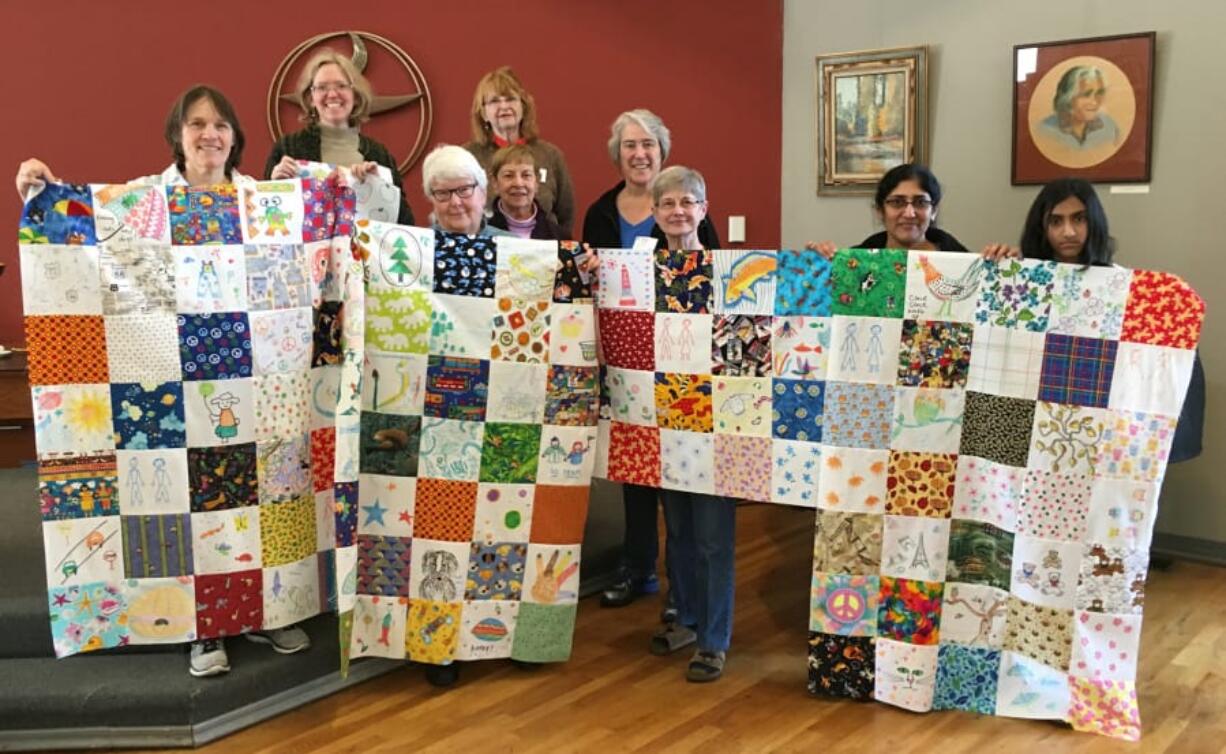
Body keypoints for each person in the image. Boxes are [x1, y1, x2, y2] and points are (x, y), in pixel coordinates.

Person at [15, 86, 312, 679]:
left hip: (252, 377)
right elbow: (92, 221)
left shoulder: (261, 202)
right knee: (184, 498)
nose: (210, 135)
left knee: (258, 492)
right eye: (197, 124)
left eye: (221, 124)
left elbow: (328, 232)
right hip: (168, 377)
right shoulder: (150, 199)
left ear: (236, 136)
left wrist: (314, 190)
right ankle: (201, 625)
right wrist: (40, 191)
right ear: (177, 134)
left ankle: (265, 606)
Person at [581, 109, 721, 614]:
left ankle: (679, 586)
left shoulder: (684, 205)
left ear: (662, 151)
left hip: (680, 353)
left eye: (648, 145)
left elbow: (714, 278)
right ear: (618, 155)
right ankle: (637, 566)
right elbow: (588, 278)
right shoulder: (601, 211)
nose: (639, 154)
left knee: (680, 479)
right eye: (629, 146)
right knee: (634, 470)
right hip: (626, 354)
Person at [1015, 177, 1203, 463]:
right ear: (1041, 228)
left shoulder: (1121, 287)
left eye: (1079, 219)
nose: (1069, 231)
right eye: (1056, 221)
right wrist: (1003, 267)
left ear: (1095, 223)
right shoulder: (1025, 286)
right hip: (1039, 423)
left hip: (1101, 426)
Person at [644, 165, 737, 682]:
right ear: (655, 214)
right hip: (663, 420)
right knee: (677, 530)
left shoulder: (728, 268)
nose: (678, 211)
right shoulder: (641, 271)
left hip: (719, 421)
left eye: (688, 202)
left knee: (712, 536)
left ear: (704, 208)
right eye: (667, 204)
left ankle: (714, 638)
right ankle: (688, 616)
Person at [264, 48, 415, 226]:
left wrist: (380, 184)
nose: (333, 94)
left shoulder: (379, 155)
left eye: (341, 86)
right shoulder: (288, 148)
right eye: (322, 87)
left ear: (355, 95)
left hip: (363, 253)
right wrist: (272, 186)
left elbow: (405, 224)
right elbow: (265, 221)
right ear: (311, 97)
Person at [807, 163, 1016, 259]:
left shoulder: (962, 263)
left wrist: (1009, 270)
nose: (909, 213)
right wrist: (815, 269)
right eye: (897, 202)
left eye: (920, 202)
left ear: (934, 210)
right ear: (880, 211)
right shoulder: (855, 262)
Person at [463, 66, 575, 237]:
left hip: (544, 250)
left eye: (510, 99)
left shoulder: (550, 155)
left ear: (523, 106)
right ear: (483, 113)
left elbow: (565, 216)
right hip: (487, 252)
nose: (504, 106)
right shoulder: (468, 157)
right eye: (494, 101)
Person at [1035, 66, 1121, 152]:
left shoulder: (1110, 126)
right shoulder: (1044, 131)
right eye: (1086, 94)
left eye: (1099, 93)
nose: (1095, 102)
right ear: (1066, 98)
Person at [487, 144, 562, 240]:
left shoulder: (558, 236)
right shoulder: (480, 234)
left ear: (537, 182)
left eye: (526, 175)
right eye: (508, 176)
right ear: (495, 183)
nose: (518, 183)